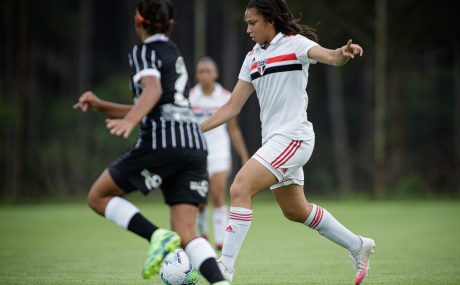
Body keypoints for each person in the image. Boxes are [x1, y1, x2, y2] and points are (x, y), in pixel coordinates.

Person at [200, 1, 375, 284]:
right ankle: (358, 245)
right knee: (295, 210)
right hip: (275, 141)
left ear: (270, 20)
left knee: (240, 186)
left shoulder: (295, 44)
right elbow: (232, 106)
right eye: (246, 23)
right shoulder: (252, 58)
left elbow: (330, 56)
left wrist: (343, 52)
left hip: (294, 137)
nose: (248, 29)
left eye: (253, 23)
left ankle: (225, 268)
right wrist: (199, 129)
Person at [73, 1, 229, 284]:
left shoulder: (143, 51)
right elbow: (154, 102)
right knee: (187, 231)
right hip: (194, 144)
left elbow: (153, 91)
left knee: (98, 196)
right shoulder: (174, 52)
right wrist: (100, 106)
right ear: (169, 24)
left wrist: (131, 122)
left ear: (138, 22)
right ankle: (220, 282)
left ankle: (156, 235)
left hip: (163, 140)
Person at [189, 57, 250, 250]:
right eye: (201, 71)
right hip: (197, 152)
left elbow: (233, 129)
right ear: (197, 75)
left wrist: (244, 155)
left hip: (219, 151)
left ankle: (221, 241)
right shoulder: (190, 97)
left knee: (217, 193)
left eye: (209, 71)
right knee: (200, 199)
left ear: (215, 74)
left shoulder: (225, 96)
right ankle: (203, 234)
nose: (205, 75)